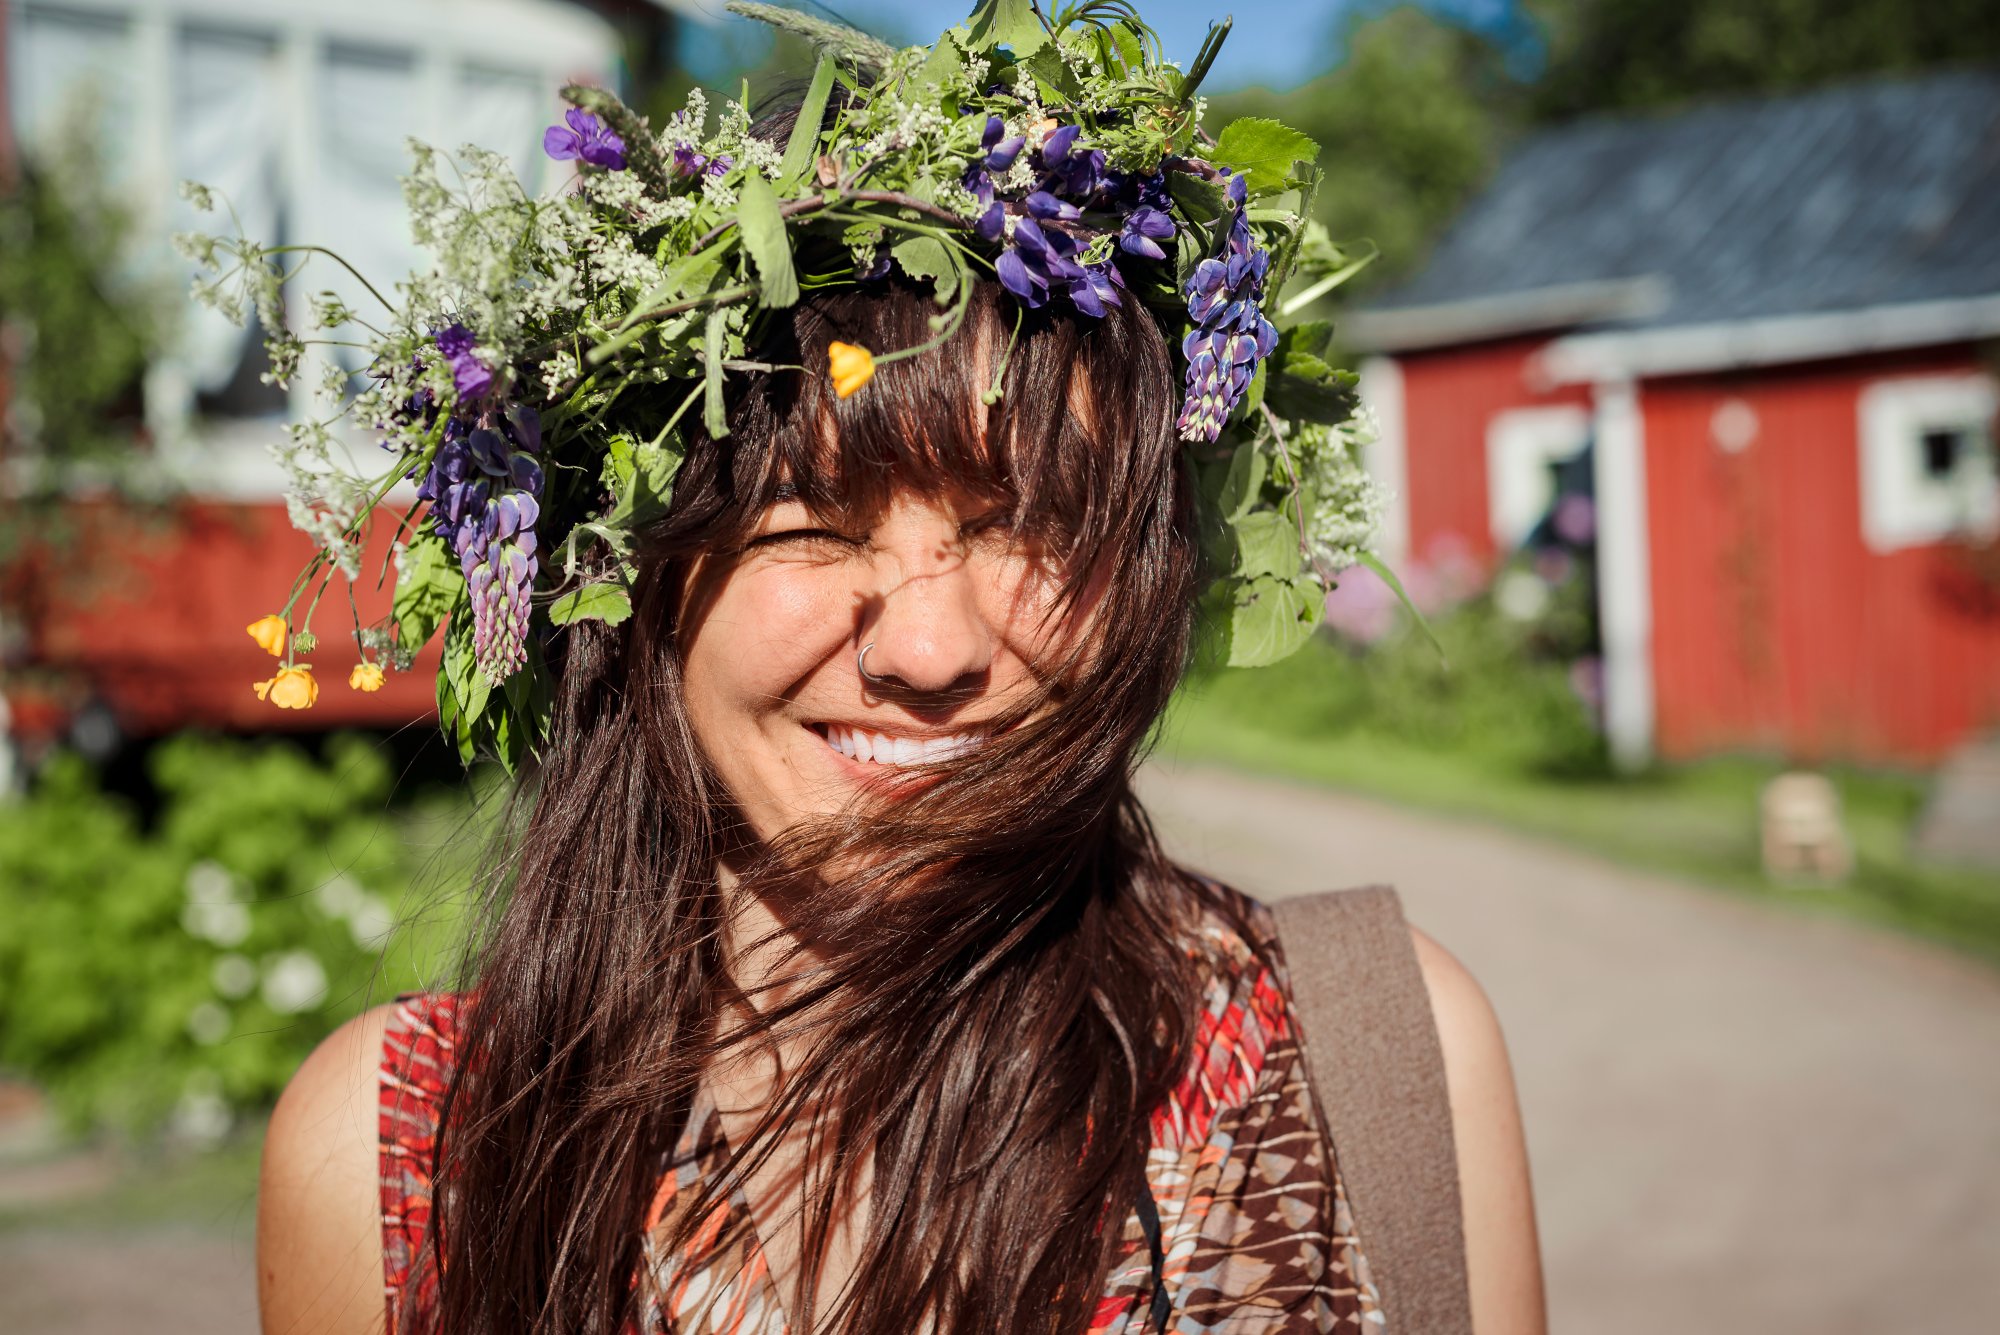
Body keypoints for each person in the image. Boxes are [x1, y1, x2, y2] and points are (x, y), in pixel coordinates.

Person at [222, 7, 1544, 1333]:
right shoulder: (404, 1161)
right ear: (621, 590)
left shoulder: (1372, 1065)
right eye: (805, 524)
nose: (930, 650)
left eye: (1023, 522)